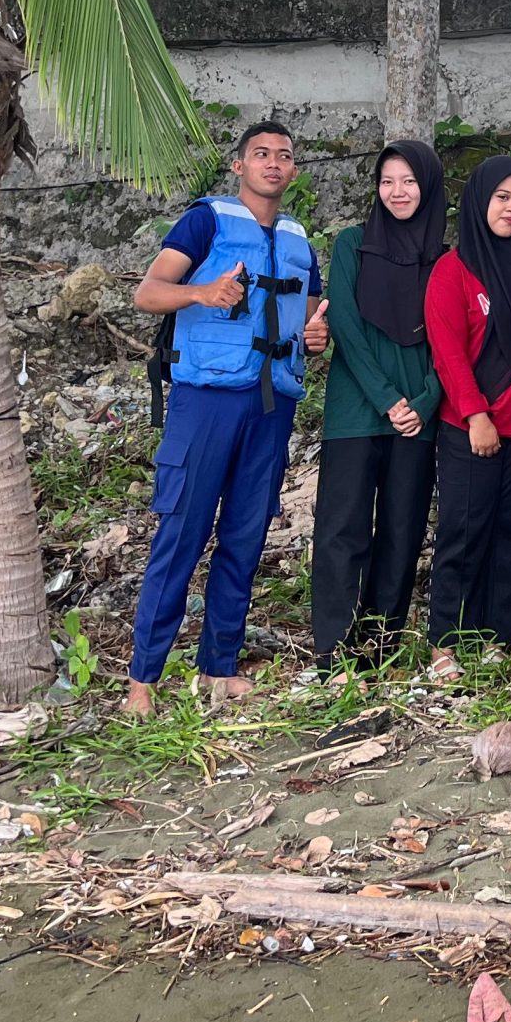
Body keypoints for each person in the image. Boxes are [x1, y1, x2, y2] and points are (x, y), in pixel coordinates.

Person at [126, 120, 325, 716]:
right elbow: (148, 291)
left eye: (284, 156)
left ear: (292, 171)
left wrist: (317, 331)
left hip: (272, 404)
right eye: (260, 154)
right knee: (182, 532)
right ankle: (143, 680)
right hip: (206, 400)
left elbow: (311, 311)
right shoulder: (205, 221)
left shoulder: (297, 237)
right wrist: (203, 292)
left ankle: (220, 666)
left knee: (244, 535)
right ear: (239, 166)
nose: (273, 163)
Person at [307, 140, 445, 668]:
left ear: (427, 186)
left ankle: (378, 648)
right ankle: (332, 651)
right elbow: (343, 322)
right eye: (387, 181)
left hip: (418, 419)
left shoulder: (445, 261)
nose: (397, 192)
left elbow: (453, 341)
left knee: (401, 531)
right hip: (355, 412)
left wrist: (426, 402)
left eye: (409, 181)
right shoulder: (353, 244)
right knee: (342, 529)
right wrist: (389, 400)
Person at [424, 155, 511, 646]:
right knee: (464, 531)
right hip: (470, 426)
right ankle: (448, 641)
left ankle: (504, 637)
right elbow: (449, 353)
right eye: (502, 198)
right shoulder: (453, 270)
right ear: (479, 201)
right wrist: (477, 416)